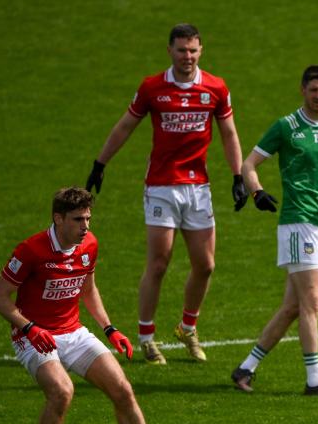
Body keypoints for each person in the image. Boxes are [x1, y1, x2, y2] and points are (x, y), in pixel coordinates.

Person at [0, 187, 181, 424]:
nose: (86, 227)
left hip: (73, 332)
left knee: (123, 389)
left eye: (88, 219)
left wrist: (110, 329)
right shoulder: (31, 251)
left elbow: (88, 289)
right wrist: (29, 327)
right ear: (58, 218)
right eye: (78, 219)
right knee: (61, 392)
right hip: (33, 335)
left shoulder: (89, 245)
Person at [85, 23, 244, 365]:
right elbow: (126, 125)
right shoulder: (152, 88)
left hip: (198, 188)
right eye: (181, 50)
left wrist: (237, 175)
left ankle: (187, 328)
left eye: (193, 50)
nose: (187, 56)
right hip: (161, 186)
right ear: (169, 51)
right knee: (159, 263)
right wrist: (101, 163)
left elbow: (229, 133)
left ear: (201, 51)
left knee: (206, 265)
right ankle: (146, 336)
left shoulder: (215, 87)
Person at [230, 65, 318, 395]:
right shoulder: (287, 127)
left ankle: (245, 368)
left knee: (293, 306)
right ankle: (315, 379)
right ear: (302, 90)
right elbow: (248, 164)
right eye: (313, 90)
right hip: (296, 224)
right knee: (313, 301)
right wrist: (256, 191)